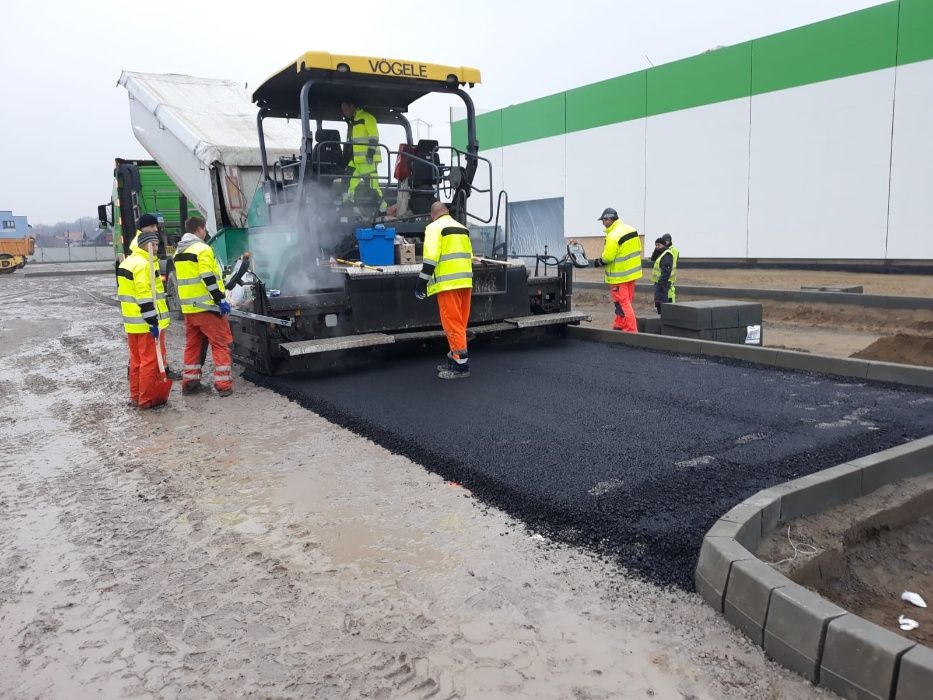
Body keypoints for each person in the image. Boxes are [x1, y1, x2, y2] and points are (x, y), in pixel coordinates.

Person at [173, 216, 234, 396]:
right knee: (221, 344)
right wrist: (220, 300)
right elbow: (207, 277)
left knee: (193, 346)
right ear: (199, 229)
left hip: (190, 310)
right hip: (208, 308)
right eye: (204, 229)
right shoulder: (203, 249)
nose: (206, 232)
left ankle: (190, 384)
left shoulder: (178, 252)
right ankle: (223, 386)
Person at [414, 202, 473, 379]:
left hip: (448, 284)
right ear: (447, 212)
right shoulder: (463, 228)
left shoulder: (434, 228)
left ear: (433, 215)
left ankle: (461, 367)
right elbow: (469, 255)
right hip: (465, 282)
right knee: (460, 324)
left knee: (452, 323)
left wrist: (421, 282)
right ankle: (454, 359)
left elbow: (431, 259)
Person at [116, 226, 173, 408]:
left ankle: (135, 396)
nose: (156, 249)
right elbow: (144, 296)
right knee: (149, 362)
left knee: (136, 361)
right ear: (144, 245)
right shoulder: (143, 265)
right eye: (153, 245)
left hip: (131, 323)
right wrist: (153, 321)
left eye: (157, 245)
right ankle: (146, 400)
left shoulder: (127, 263)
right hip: (145, 323)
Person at [592, 207, 642, 332]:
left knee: (623, 303)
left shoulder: (613, 235)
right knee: (626, 302)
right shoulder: (632, 230)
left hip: (619, 276)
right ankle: (620, 324)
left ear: (609, 219)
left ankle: (631, 330)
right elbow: (638, 248)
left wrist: (599, 262)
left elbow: (608, 257)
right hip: (632, 273)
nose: (602, 223)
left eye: (603, 220)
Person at [339, 99, 382, 203]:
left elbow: (374, 136)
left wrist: (370, 154)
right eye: (342, 110)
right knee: (346, 183)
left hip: (368, 160)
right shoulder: (352, 122)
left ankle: (382, 209)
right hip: (355, 161)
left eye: (345, 109)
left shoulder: (367, 118)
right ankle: (346, 205)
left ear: (352, 106)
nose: (344, 112)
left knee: (372, 188)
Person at [651, 233, 679, 314]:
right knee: (660, 298)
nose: (656, 247)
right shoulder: (661, 252)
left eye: (658, 245)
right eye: (655, 245)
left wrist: (661, 282)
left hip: (666, 279)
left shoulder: (669, 252)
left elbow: (667, 267)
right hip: (661, 280)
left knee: (667, 296)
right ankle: (663, 311)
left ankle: (669, 311)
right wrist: (656, 249)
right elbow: (653, 259)